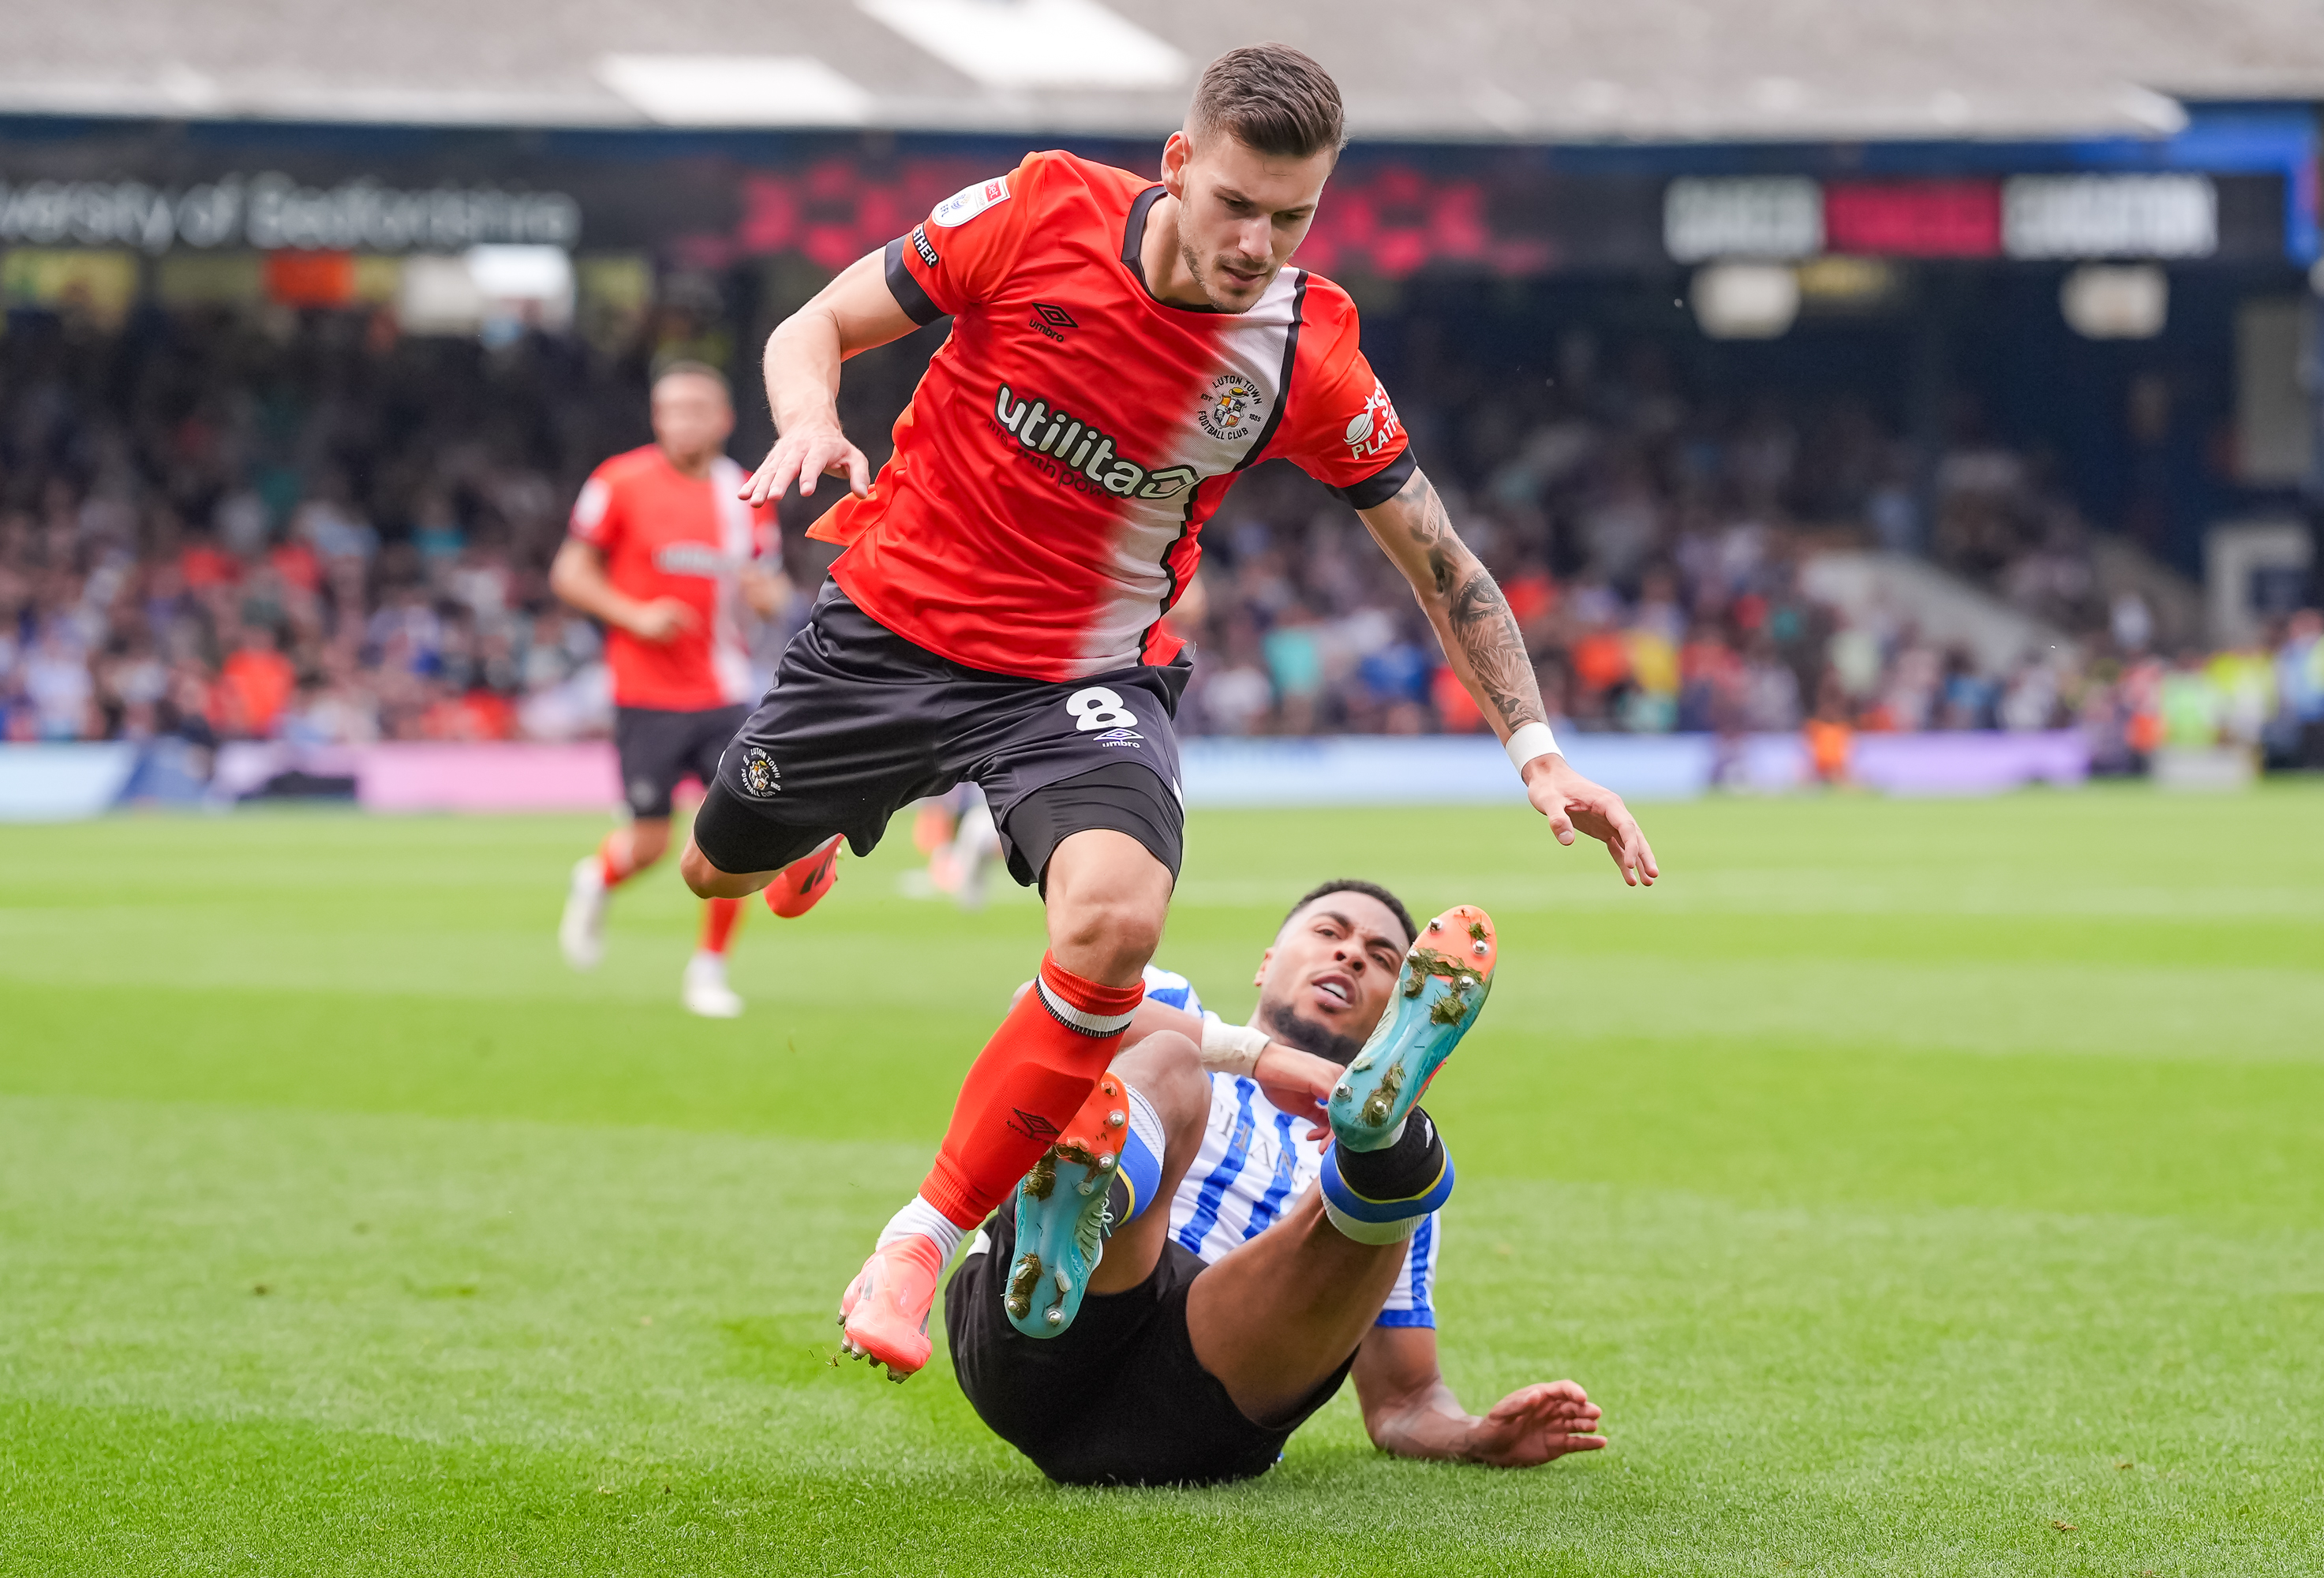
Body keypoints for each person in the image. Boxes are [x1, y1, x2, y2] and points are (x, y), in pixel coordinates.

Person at [680, 43, 1659, 1378]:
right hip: (888, 636)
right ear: (1180, 164)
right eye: (1236, 205)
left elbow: (1443, 565)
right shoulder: (1037, 213)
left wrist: (1539, 755)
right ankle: (805, 842)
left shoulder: (1304, 355)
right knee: (714, 869)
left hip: (1077, 677)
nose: (1258, 245)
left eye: (1292, 217)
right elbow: (815, 325)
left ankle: (919, 1240)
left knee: (1115, 923)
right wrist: (807, 418)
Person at [941, 879, 1608, 1484]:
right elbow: (1037, 1014)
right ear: (1267, 962)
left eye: (1382, 958)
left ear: (1391, 1011)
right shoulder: (1175, 1004)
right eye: (1329, 932)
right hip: (1055, 1310)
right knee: (1172, 1058)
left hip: (1206, 1387)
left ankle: (1375, 1132)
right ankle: (1073, 1219)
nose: (1351, 955)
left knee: (1398, 1176)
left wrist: (1476, 1437)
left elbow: (1405, 1400)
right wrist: (1259, 1059)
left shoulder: (1400, 1208)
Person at [552, 362, 792, 1018]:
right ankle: (597, 878)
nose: (683, 421)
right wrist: (634, 616)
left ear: (724, 419)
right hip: (645, 693)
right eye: (671, 409)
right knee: (651, 845)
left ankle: (709, 970)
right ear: (656, 419)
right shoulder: (618, 482)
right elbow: (570, 571)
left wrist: (769, 597)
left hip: (725, 690)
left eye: (696, 408)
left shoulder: (748, 491)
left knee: (738, 831)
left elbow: (768, 586)